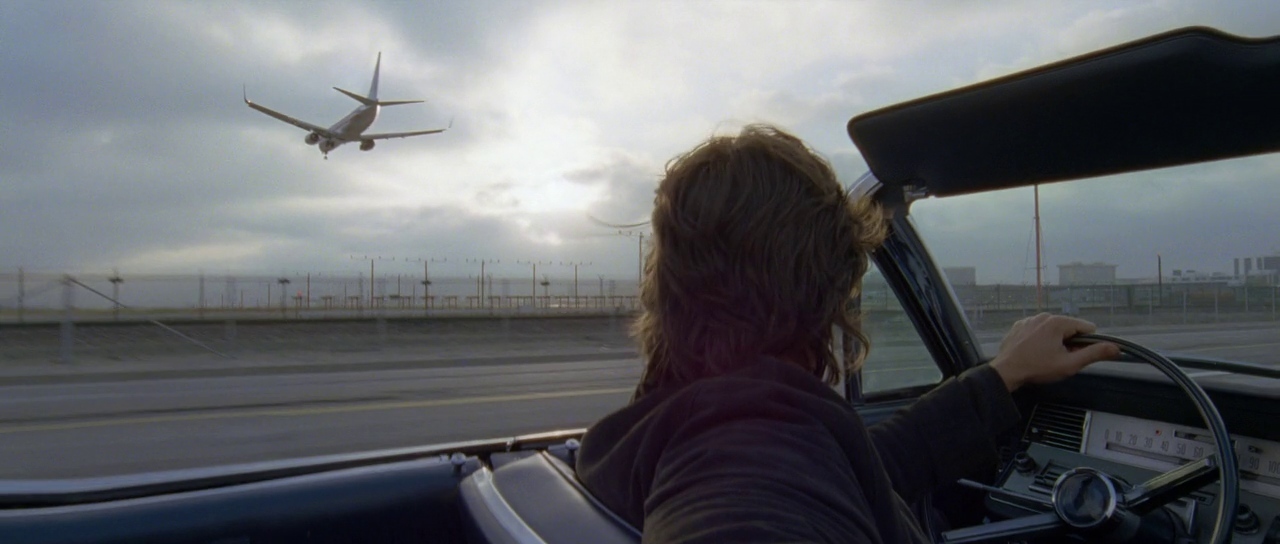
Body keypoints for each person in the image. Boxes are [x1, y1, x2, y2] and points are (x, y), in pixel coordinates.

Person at [575, 124, 1120, 543]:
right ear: (825, 290)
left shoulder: (705, 417)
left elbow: (865, 464)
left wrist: (1004, 374)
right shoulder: (741, 449)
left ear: (666, 289)